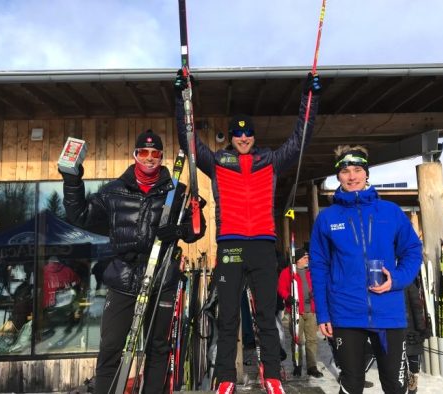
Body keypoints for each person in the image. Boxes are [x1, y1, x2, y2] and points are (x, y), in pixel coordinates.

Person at [174, 70, 321, 394]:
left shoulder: (270, 161)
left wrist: (309, 99)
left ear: (254, 138)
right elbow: (189, 141)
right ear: (231, 137)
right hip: (231, 246)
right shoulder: (217, 162)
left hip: (262, 246)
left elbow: (300, 140)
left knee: (266, 316)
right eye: (238, 135)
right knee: (228, 316)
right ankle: (226, 377)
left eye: (248, 135)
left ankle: (272, 374)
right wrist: (182, 98)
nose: (243, 139)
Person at [60, 129, 206, 394]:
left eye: (155, 154)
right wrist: (72, 180)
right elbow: (80, 216)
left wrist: (179, 230)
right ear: (135, 155)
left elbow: (196, 230)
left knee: (157, 346)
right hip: (123, 276)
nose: (149, 158)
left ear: (161, 158)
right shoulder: (114, 191)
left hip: (161, 277)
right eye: (144, 153)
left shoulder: (177, 192)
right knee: (112, 346)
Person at [309, 145, 422, 394]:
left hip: (388, 310)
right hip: (346, 312)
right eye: (346, 171)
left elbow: (413, 251)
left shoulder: (390, 212)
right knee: (351, 384)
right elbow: (318, 267)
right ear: (337, 176)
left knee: (395, 384)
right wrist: (323, 314)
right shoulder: (327, 219)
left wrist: (398, 279)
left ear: (366, 173)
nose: (352, 176)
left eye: (358, 170)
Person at [277, 247, 322, 378]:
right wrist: (287, 297)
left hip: (311, 311)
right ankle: (297, 365)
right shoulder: (288, 272)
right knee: (297, 340)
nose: (307, 259)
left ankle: (312, 366)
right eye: (304, 258)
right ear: (297, 260)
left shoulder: (311, 272)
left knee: (312, 340)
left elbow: (318, 285)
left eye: (308, 257)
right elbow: (280, 288)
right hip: (296, 312)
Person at [404, 281, 429, 394]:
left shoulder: (402, 284)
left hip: (402, 329)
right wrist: (422, 329)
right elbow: (417, 309)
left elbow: (416, 308)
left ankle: (408, 382)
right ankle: (410, 384)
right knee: (411, 358)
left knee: (404, 357)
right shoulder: (410, 285)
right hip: (410, 329)